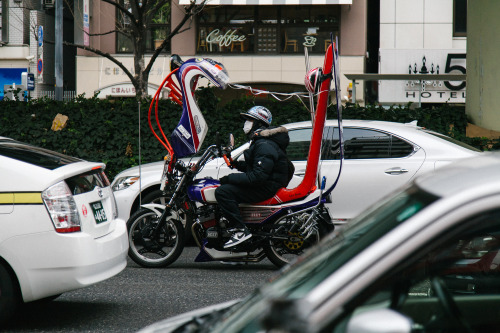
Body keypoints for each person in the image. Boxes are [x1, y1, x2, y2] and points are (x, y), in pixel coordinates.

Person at [215, 106, 291, 248]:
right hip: (268, 183)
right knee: (227, 187)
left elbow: (257, 177)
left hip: (266, 186)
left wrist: (229, 178)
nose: (246, 123)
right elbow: (259, 167)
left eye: (250, 120)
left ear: (259, 124)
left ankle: (240, 230)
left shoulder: (264, 144)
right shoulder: (262, 142)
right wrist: (237, 165)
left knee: (223, 191)